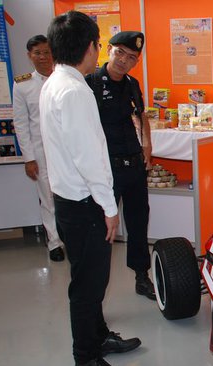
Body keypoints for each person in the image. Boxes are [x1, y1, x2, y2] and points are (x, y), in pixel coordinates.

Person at [40, 10, 141, 366]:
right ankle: (86, 357)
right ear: (89, 47)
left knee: (90, 277)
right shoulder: (75, 91)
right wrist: (109, 208)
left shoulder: (56, 82)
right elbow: (89, 159)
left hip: (70, 200)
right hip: (85, 203)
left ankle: (98, 336)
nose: (98, 50)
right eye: (99, 44)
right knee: (88, 285)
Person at [85, 30, 156, 300]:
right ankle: (96, 286)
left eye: (131, 57)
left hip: (134, 165)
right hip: (107, 169)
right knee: (104, 228)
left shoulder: (132, 84)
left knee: (138, 222)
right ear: (108, 51)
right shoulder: (90, 83)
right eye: (120, 53)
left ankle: (141, 276)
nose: (124, 61)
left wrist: (147, 144)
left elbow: (141, 114)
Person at [12, 35, 65, 262]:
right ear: (29, 56)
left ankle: (71, 238)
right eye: (37, 53)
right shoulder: (22, 85)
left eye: (46, 52)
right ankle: (54, 242)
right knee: (48, 198)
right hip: (41, 152)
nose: (43, 57)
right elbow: (21, 124)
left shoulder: (65, 80)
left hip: (67, 150)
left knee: (70, 195)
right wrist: (28, 158)